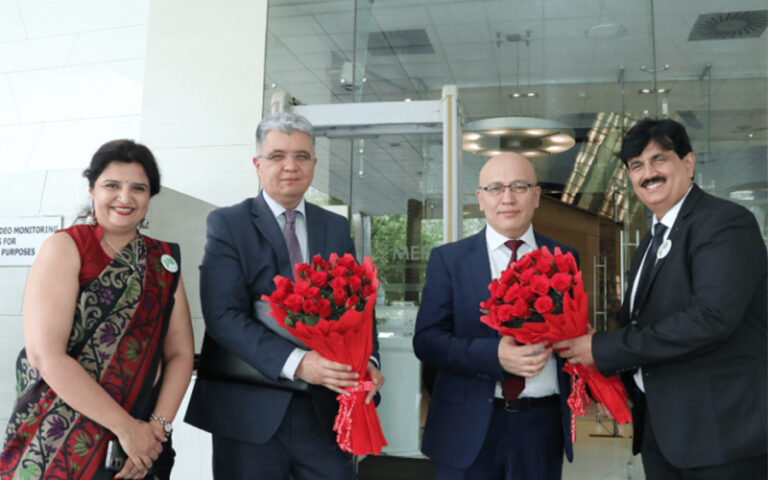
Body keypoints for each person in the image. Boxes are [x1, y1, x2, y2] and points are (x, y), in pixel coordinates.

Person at [555, 118, 767, 479]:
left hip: (721, 437)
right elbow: (647, 325)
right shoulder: (652, 239)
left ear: (688, 163)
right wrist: (612, 380)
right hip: (665, 431)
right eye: (636, 165)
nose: (648, 173)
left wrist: (605, 348)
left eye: (659, 159)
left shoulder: (724, 223)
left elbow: (711, 318)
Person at [184, 111, 384, 479]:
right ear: (258, 164)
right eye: (277, 156)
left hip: (327, 412)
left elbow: (360, 303)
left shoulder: (336, 226)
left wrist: (367, 359)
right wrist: (298, 362)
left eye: (301, 156)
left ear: (314, 164)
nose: (290, 165)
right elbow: (223, 315)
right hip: (250, 414)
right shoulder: (229, 223)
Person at [0, 140, 195, 480]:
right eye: (112, 185)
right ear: (92, 190)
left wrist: (154, 431)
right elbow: (46, 356)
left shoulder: (163, 262)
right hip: (61, 437)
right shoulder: (67, 247)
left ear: (150, 197)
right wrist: (127, 431)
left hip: (142, 446)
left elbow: (180, 353)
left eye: (138, 188)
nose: (125, 197)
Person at [413, 152, 577, 480]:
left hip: (541, 429)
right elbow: (428, 341)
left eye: (519, 186)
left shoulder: (564, 258)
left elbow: (570, 333)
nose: (508, 198)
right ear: (480, 199)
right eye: (495, 188)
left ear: (536, 195)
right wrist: (494, 355)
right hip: (466, 428)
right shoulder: (449, 260)